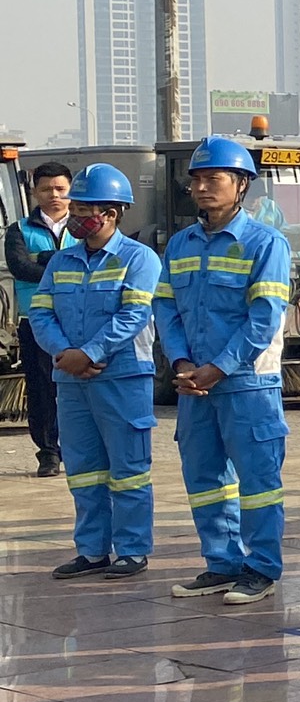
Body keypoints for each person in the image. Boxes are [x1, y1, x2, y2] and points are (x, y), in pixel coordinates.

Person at [155, 135, 294, 606]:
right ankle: (221, 562)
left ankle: (261, 567)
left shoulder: (265, 242)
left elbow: (264, 318)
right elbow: (167, 310)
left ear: (241, 185)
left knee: (258, 481)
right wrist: (181, 363)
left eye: (213, 178)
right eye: (196, 179)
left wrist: (218, 367)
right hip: (195, 384)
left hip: (247, 385)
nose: (201, 187)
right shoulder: (180, 244)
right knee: (204, 476)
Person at [32, 166, 159, 579]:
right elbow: (40, 312)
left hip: (122, 377)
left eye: (87, 208)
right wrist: (65, 353)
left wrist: (88, 352)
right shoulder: (61, 259)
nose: (78, 214)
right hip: (70, 380)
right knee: (83, 470)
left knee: (127, 470)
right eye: (77, 206)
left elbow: (135, 314)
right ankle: (92, 550)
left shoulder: (138, 259)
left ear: (113, 212)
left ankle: (132, 550)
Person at [7, 159, 73, 477]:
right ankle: (48, 453)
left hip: (78, 320)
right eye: (46, 189)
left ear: (71, 191)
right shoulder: (18, 230)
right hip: (34, 322)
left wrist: (45, 262)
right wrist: (63, 266)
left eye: (60, 188)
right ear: (35, 192)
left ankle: (77, 449)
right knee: (42, 390)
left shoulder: (83, 226)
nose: (54, 195)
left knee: (76, 388)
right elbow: (21, 268)